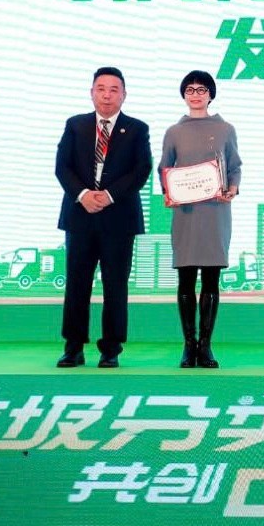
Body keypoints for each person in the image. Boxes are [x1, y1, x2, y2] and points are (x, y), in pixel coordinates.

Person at [55, 67, 152, 368]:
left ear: (124, 95)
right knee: (77, 283)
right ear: (92, 92)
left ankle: (111, 348)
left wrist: (108, 195)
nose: (107, 95)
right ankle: (73, 347)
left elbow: (142, 169)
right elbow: (62, 166)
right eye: (101, 88)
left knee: (115, 284)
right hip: (80, 215)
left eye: (114, 89)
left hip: (118, 218)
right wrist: (83, 194)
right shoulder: (75, 125)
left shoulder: (137, 129)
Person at [158, 71, 241, 368]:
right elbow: (164, 169)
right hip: (186, 213)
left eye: (202, 89)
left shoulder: (225, 129)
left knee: (211, 279)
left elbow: (234, 166)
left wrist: (233, 188)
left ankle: (205, 346)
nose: (196, 94)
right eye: (190, 90)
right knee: (185, 278)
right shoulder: (173, 132)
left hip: (215, 212)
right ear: (184, 95)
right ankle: (188, 345)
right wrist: (169, 190)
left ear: (211, 95)